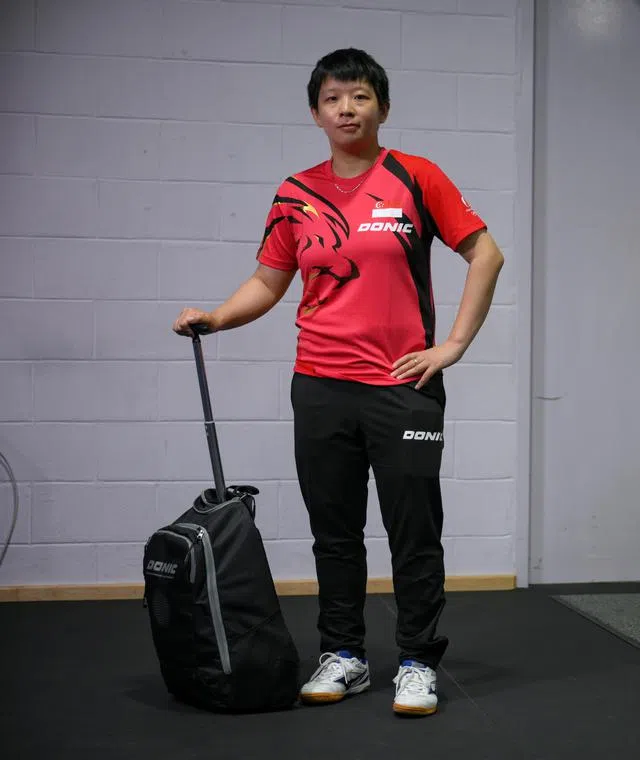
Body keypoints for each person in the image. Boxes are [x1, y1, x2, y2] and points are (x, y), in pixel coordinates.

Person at [172, 47, 504, 717]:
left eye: (359, 96)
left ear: (382, 106)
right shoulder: (296, 192)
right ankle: (344, 654)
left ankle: (416, 660)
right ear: (315, 112)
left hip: (402, 387)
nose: (346, 108)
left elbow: (485, 254)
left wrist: (455, 346)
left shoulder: (416, 177)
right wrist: (217, 315)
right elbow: (269, 281)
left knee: (413, 530)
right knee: (335, 530)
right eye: (332, 99)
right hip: (320, 384)